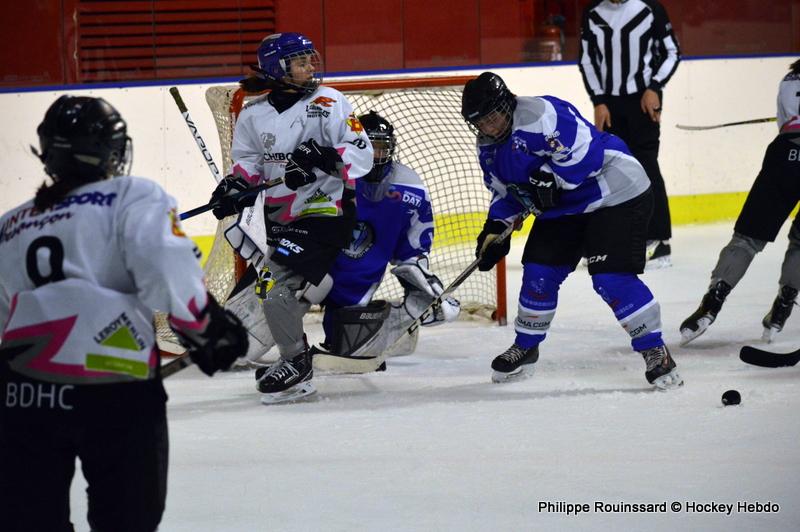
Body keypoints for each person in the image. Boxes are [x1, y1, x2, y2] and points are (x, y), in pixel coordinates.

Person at [0, 96, 247, 532]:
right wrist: (205, 327)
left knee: (30, 520)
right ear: (108, 150)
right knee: (128, 519)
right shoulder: (132, 195)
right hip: (115, 385)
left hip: (24, 393)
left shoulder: (11, 223)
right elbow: (164, 267)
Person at [460, 71, 682, 390]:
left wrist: (549, 180)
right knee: (538, 272)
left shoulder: (542, 115)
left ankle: (655, 350)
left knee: (610, 278)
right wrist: (496, 227)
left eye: (492, 117)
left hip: (614, 191)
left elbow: (586, 156)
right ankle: (526, 345)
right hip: (565, 207)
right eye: (480, 122)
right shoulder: (488, 148)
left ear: (507, 104)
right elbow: (507, 193)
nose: (488, 127)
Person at [210, 32, 373, 404]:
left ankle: (296, 363)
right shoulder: (254, 113)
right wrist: (233, 188)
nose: (310, 67)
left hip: (326, 212)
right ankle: (308, 311)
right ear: (276, 68)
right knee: (272, 288)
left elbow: (360, 153)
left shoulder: (329, 102)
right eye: (300, 62)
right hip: (281, 218)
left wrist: (323, 158)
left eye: (309, 59)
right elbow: (248, 164)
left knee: (272, 284)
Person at [240, 111, 460, 372]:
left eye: (381, 148)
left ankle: (371, 329)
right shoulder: (328, 170)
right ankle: (261, 338)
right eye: (369, 147)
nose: (375, 155)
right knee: (257, 324)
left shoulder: (410, 187)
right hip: (311, 262)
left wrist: (421, 289)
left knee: (346, 349)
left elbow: (413, 247)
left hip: (358, 281)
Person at [679, 58, 800, 345]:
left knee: (746, 239)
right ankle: (782, 308)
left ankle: (711, 303)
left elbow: (786, 122)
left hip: (785, 156)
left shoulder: (790, 78)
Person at [578, 0, 681, 268]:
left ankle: (658, 242)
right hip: (608, 105)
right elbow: (587, 60)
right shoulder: (593, 12)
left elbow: (672, 52)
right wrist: (598, 100)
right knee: (606, 170)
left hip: (643, 101)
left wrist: (655, 87)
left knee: (646, 167)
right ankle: (607, 241)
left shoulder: (650, 8)